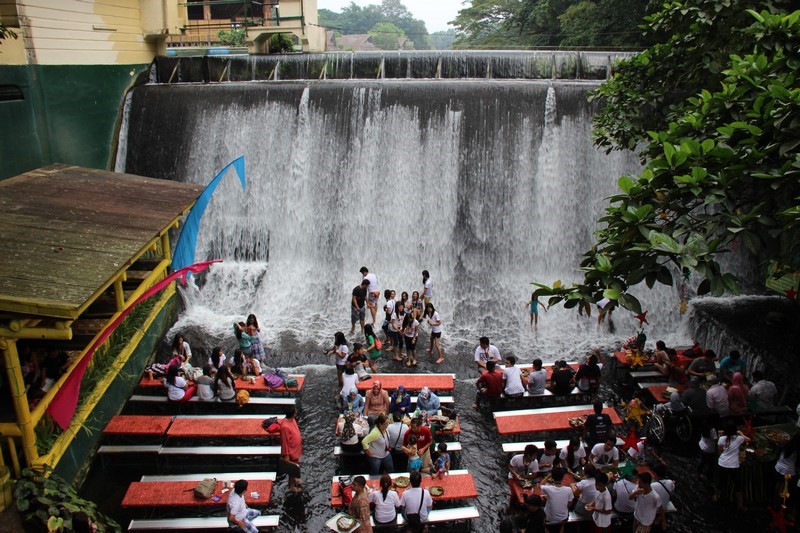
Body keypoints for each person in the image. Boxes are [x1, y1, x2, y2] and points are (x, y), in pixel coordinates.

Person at [714, 422, 751, 509]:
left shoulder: (722, 438)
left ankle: (716, 497)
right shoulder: (739, 438)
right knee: (738, 485)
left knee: (719, 482)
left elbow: (720, 450)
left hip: (722, 463)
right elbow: (748, 440)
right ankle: (740, 505)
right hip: (734, 466)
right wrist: (740, 433)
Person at [279, 406, 303, 494]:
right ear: (293, 414)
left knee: (296, 466)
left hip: (296, 449)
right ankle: (291, 486)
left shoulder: (292, 420)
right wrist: (286, 455)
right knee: (292, 469)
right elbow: (284, 442)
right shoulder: (284, 427)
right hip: (291, 451)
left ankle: (295, 479)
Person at [540, 468, 572, 533]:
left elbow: (540, 485)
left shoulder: (548, 488)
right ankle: (562, 526)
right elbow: (570, 504)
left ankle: (546, 529)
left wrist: (549, 476)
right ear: (563, 477)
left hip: (549, 518)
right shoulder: (568, 489)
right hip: (563, 517)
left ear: (552, 477)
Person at [697, 413, 719, 481]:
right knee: (710, 465)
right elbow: (715, 439)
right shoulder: (712, 430)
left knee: (702, 461)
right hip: (709, 449)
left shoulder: (704, 424)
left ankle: (698, 474)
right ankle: (709, 479)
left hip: (702, 446)